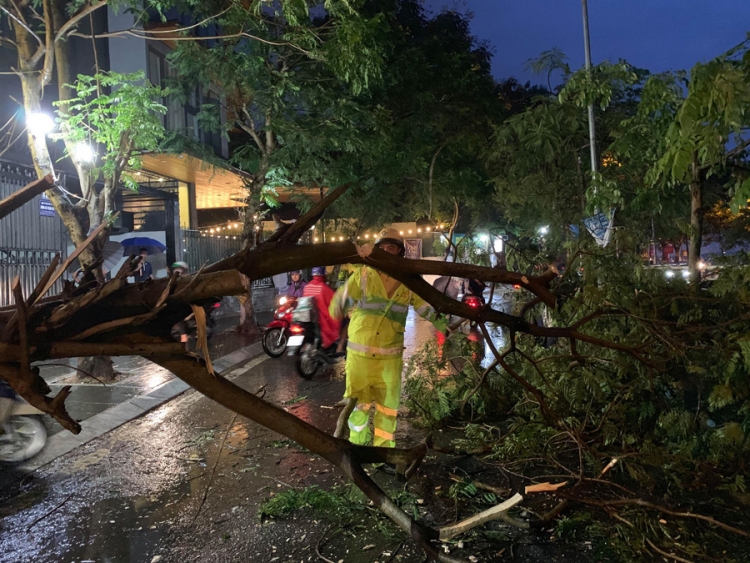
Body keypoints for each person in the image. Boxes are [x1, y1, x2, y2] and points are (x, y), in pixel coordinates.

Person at [330, 228, 447, 451]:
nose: (385, 252)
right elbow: (340, 301)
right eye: (381, 248)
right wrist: (338, 308)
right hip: (360, 357)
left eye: (390, 248)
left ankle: (384, 451)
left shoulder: (409, 280)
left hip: (389, 359)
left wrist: (445, 323)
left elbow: (425, 307)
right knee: (359, 407)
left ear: (400, 251)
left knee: (387, 408)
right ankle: (359, 448)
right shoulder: (364, 274)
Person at [302, 267, 340, 350]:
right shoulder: (324, 288)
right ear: (323, 275)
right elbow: (334, 303)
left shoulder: (307, 287)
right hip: (321, 319)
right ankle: (339, 349)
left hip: (308, 318)